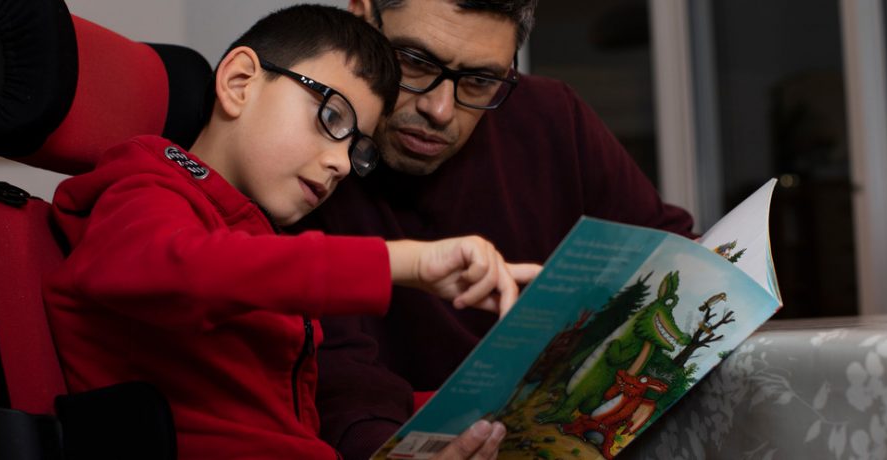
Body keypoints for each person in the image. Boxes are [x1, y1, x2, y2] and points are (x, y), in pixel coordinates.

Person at [42, 5, 538, 459]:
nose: (341, 163)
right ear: (238, 82)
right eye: (331, 118)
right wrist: (400, 262)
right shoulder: (143, 188)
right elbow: (182, 267)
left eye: (357, 148)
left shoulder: (259, 244)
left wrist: (489, 408)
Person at [292, 1, 697, 458]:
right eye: (415, 62)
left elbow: (673, 251)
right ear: (363, 16)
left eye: (481, 80)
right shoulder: (300, 155)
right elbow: (331, 378)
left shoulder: (551, 117)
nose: (440, 109)